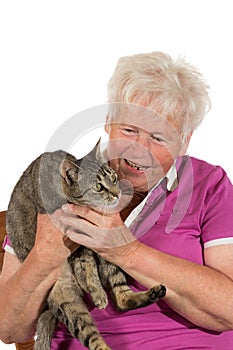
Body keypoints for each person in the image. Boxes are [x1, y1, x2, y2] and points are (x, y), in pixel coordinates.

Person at [1, 51, 233, 349]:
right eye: (129, 130)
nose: (138, 150)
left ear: (184, 141)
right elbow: (9, 330)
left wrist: (126, 251)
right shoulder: (58, 184)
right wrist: (45, 255)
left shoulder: (209, 185)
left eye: (158, 138)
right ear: (108, 123)